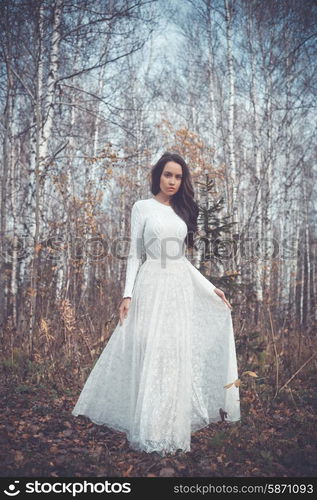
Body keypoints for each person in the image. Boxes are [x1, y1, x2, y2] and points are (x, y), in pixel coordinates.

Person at [72, 152, 240, 456]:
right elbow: (136, 255)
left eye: (178, 176)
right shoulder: (142, 208)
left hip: (178, 288)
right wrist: (127, 294)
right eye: (167, 175)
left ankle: (170, 431)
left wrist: (211, 287)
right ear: (158, 176)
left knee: (173, 355)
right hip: (151, 285)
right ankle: (148, 428)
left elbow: (182, 260)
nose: (173, 181)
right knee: (150, 351)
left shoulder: (182, 212)